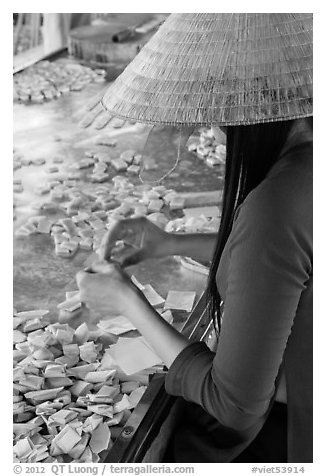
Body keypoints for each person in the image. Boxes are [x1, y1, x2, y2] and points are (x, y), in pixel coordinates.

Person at [76, 14, 312, 463]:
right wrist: (171, 243)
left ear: (247, 106)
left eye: (214, 115)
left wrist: (127, 301)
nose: (212, 131)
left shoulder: (278, 203)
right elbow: (280, 268)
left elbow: (236, 405)